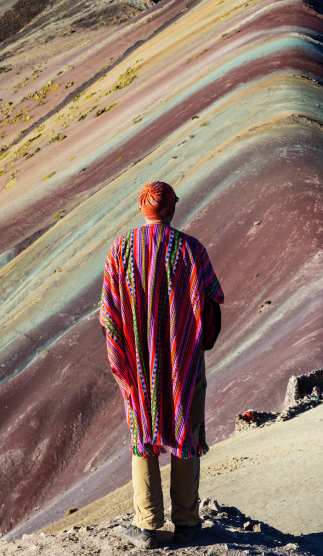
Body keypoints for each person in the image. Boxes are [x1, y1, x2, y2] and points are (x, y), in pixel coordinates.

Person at [100, 181, 224, 549]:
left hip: (139, 364)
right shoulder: (191, 250)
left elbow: (108, 313)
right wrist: (196, 340)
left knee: (143, 433)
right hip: (183, 363)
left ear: (143, 208)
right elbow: (213, 302)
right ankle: (186, 522)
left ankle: (147, 526)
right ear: (171, 209)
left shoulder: (121, 249)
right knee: (187, 430)